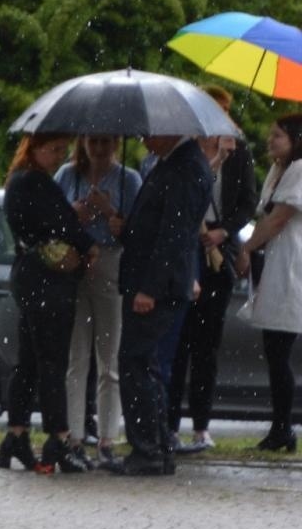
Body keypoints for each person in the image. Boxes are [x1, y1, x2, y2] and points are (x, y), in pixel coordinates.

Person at [105, 131, 215, 475]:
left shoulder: (185, 168)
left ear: (171, 131)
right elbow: (159, 225)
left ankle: (148, 449)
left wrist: (150, 288)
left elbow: (174, 234)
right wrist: (126, 227)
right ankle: (158, 444)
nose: (144, 140)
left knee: (136, 363)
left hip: (158, 286)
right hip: (155, 281)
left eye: (150, 134)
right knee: (145, 364)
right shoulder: (174, 164)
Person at [0, 134, 95, 474]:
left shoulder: (20, 181)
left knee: (29, 359)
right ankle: (58, 437)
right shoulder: (35, 183)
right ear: (35, 148)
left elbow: (49, 222)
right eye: (53, 150)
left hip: (30, 275)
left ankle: (17, 433)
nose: (58, 157)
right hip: (47, 280)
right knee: (52, 360)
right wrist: (82, 226)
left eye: (62, 150)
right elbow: (63, 226)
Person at [170, 112, 257, 453]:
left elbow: (248, 203)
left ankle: (201, 425)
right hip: (189, 246)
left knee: (207, 346)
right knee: (179, 344)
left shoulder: (238, 153)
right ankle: (170, 424)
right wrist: (213, 159)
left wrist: (224, 230)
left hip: (219, 252)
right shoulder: (188, 151)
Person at [52, 135, 141, 464]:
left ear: (116, 143)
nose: (99, 149)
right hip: (74, 262)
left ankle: (106, 437)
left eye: (105, 143)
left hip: (110, 260)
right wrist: (74, 215)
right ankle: (74, 436)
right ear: (84, 142)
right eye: (93, 142)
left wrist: (113, 216)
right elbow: (54, 219)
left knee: (110, 358)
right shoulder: (67, 175)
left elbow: (137, 227)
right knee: (76, 358)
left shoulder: (128, 179)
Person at [235, 114, 302, 452]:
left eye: (277, 135)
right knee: (274, 348)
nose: (270, 140)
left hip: (290, 262)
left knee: (279, 348)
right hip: (275, 260)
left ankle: (283, 426)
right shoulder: (278, 171)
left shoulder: (299, 170)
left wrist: (246, 247)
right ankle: (280, 424)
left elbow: (277, 219)